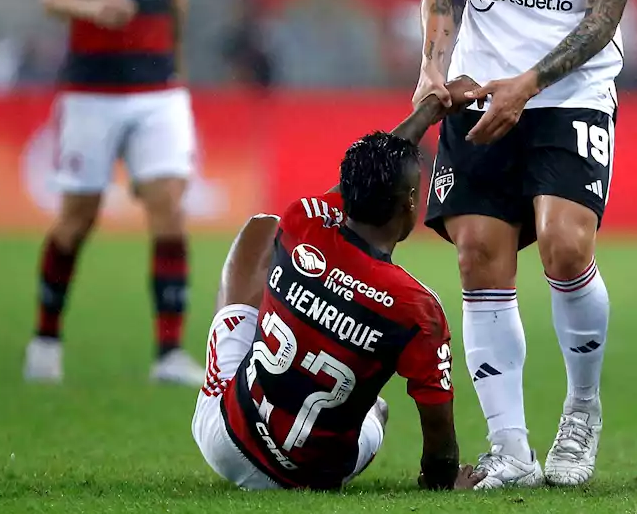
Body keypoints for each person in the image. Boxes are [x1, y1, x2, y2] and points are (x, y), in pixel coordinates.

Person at [414, 0, 637, 489]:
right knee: (478, 251)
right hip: (481, 84)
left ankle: (581, 409)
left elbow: (601, 17)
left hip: (568, 89)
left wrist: (529, 84)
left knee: (564, 246)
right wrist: (434, 66)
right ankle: (509, 447)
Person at [192, 80, 485, 491]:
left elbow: (358, 181)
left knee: (261, 227)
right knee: (376, 411)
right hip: (308, 478)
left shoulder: (303, 221)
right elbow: (438, 434)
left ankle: (247, 369)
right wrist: (443, 480)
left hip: (224, 438)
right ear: (411, 205)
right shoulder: (417, 309)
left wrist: (428, 112)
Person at [25, 0, 200, 385]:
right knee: (77, 218)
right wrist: (91, 6)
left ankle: (169, 354)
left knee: (170, 211)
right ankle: (46, 340)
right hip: (91, 92)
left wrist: (178, 67)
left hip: (159, 90)